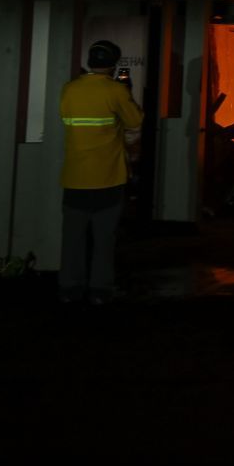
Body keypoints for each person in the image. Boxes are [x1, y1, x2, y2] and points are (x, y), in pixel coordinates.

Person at [59, 38, 143, 304]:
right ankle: (100, 290)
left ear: (90, 61)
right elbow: (135, 120)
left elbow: (66, 118)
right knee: (104, 238)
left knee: (73, 238)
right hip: (108, 177)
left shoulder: (69, 89)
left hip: (74, 177)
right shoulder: (116, 90)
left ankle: (70, 288)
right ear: (113, 64)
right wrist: (126, 92)